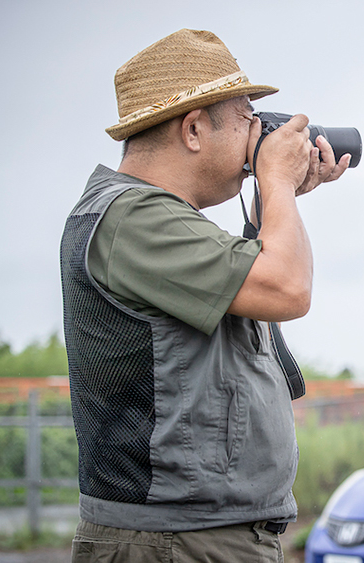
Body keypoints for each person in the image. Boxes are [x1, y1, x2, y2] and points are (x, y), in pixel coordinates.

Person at [60, 29, 349, 562]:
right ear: (193, 129)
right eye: (246, 119)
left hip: (196, 537)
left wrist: (275, 197)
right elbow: (287, 289)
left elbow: (261, 281)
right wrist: (277, 181)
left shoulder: (154, 219)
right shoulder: (132, 216)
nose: (257, 135)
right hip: (175, 542)